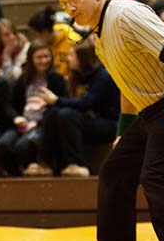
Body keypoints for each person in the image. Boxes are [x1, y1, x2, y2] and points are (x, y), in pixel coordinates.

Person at [55, 0, 164, 241]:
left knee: (156, 177)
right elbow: (128, 82)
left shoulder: (126, 14)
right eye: (64, 3)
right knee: (114, 173)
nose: (70, 8)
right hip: (150, 113)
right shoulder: (99, 35)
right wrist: (124, 128)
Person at [23, 39, 119, 177]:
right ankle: (44, 164)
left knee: (66, 115)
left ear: (82, 58)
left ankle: (76, 164)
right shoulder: (77, 75)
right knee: (52, 112)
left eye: (71, 55)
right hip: (88, 119)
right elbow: (75, 101)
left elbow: (86, 103)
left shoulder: (103, 76)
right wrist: (52, 103)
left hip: (107, 123)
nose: (67, 59)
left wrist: (56, 100)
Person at [0, 40, 67, 176]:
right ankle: (15, 176)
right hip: (23, 123)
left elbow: (60, 107)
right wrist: (16, 117)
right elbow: (8, 104)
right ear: (31, 59)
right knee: (3, 145)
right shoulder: (24, 79)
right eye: (39, 57)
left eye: (46, 57)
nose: (43, 61)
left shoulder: (56, 79)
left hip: (43, 125)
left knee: (22, 146)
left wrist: (37, 123)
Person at [27, 6, 82, 79]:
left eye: (35, 35)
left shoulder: (74, 41)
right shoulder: (43, 45)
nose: (34, 39)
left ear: (45, 32)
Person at [0, 17, 29, 83]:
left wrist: (6, 56)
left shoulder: (26, 48)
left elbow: (13, 78)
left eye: (14, 33)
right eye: (6, 35)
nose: (12, 37)